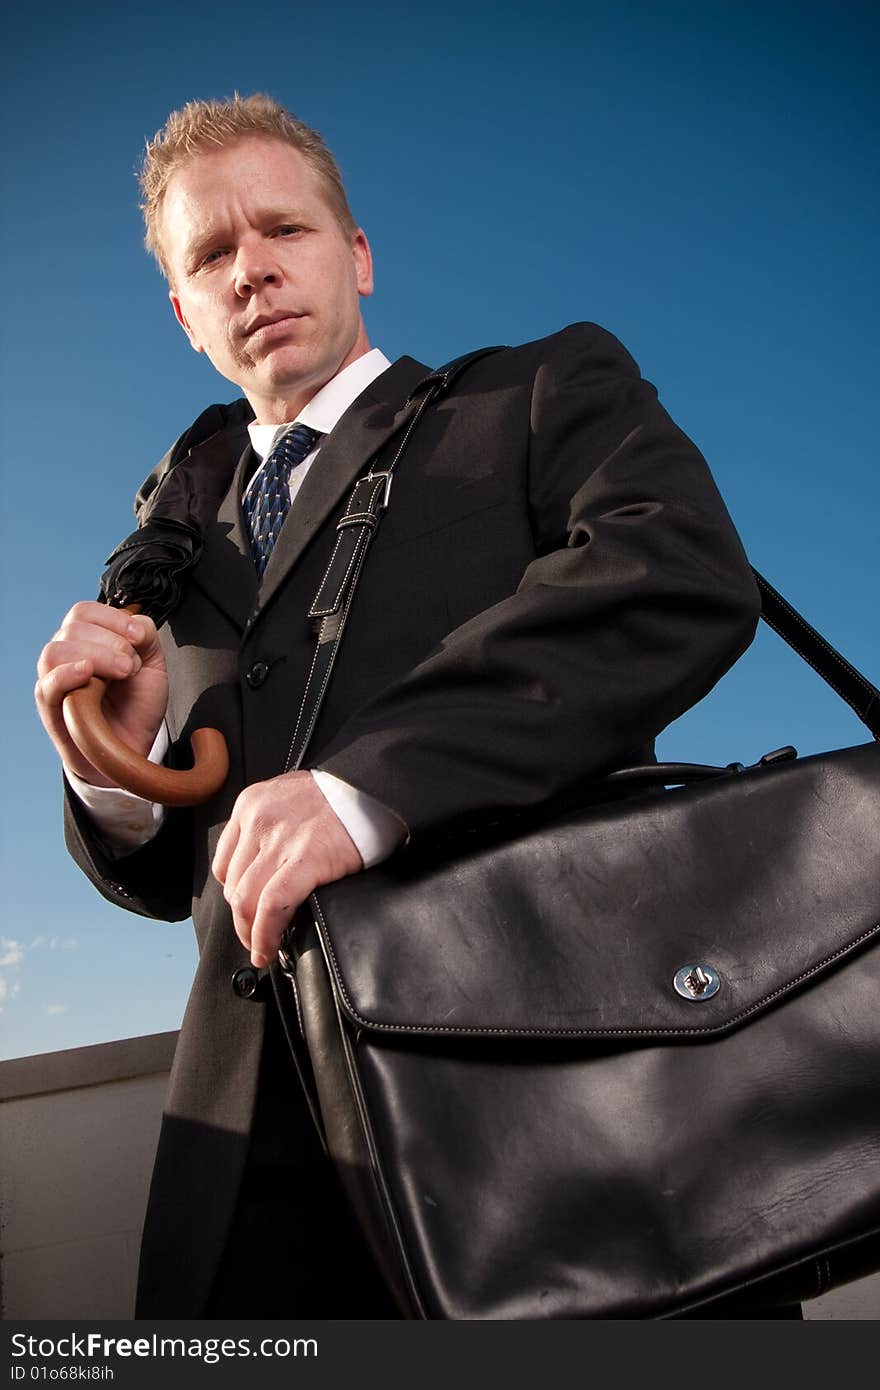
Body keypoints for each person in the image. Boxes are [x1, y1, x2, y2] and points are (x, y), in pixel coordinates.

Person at [35, 94, 765, 1318]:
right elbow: (168, 881)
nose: (252, 269)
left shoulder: (535, 393)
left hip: (547, 1099)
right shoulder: (164, 551)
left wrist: (371, 786)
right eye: (210, 255)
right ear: (183, 311)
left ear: (357, 253)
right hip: (251, 1163)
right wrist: (110, 769)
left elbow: (679, 572)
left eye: (284, 230)